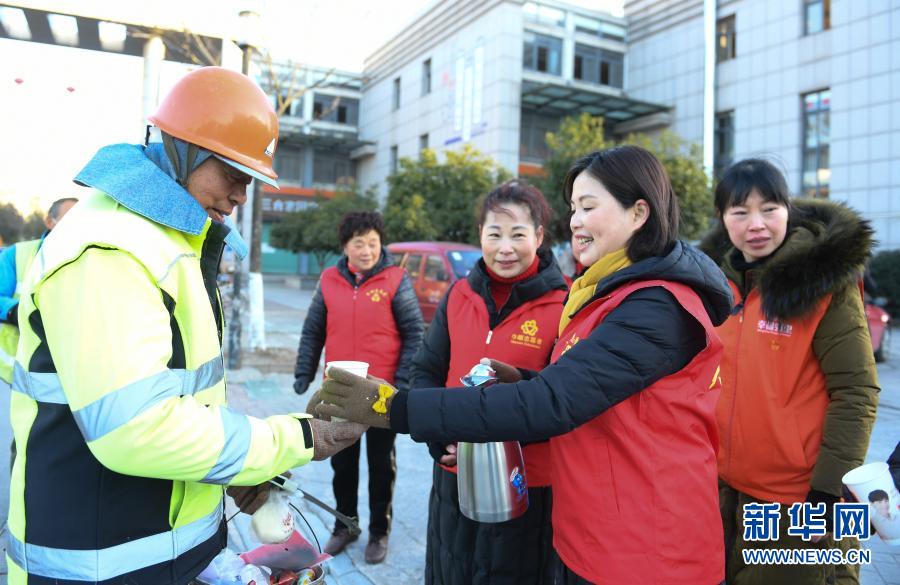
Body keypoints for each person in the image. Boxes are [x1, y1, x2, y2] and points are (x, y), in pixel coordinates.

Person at [6, 66, 366, 585]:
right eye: (233, 173)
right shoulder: (109, 250)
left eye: (251, 179)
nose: (242, 194)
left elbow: (182, 403)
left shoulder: (166, 240)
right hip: (92, 562)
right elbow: (135, 428)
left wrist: (236, 474)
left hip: (157, 554)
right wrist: (296, 438)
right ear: (183, 150)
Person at [316, 145, 733, 584]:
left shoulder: (656, 306)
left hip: (647, 550)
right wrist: (522, 379)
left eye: (588, 207)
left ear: (638, 213)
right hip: (593, 533)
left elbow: (552, 403)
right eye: (573, 208)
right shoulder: (604, 296)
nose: (575, 221)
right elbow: (586, 390)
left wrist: (395, 408)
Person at [699, 158, 880, 585]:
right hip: (724, 491)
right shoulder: (712, 288)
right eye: (740, 212)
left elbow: (857, 391)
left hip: (800, 501)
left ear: (789, 210)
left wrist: (829, 491)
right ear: (723, 219)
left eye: (769, 209)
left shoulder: (823, 285)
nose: (755, 224)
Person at [411, 180, 568, 584]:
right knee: (450, 569)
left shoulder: (565, 303)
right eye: (494, 234)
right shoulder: (458, 294)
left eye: (518, 235)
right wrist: (436, 435)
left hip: (527, 484)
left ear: (538, 236)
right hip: (454, 474)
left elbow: (563, 398)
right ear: (480, 234)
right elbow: (427, 368)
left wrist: (493, 441)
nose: (505, 248)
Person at [294, 210, 424, 563]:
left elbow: (415, 332)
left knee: (382, 466)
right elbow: (313, 330)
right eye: (358, 243)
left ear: (381, 244)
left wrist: (401, 386)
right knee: (342, 466)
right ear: (345, 246)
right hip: (338, 393)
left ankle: (379, 533)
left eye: (372, 243)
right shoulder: (329, 280)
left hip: (381, 394)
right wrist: (304, 371)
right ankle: (344, 527)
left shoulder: (396, 279)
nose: (366, 250)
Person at [0, 197, 78, 389]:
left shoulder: (94, 257)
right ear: (49, 221)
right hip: (22, 370)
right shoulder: (16, 254)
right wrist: (18, 311)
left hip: (75, 370)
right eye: (70, 218)